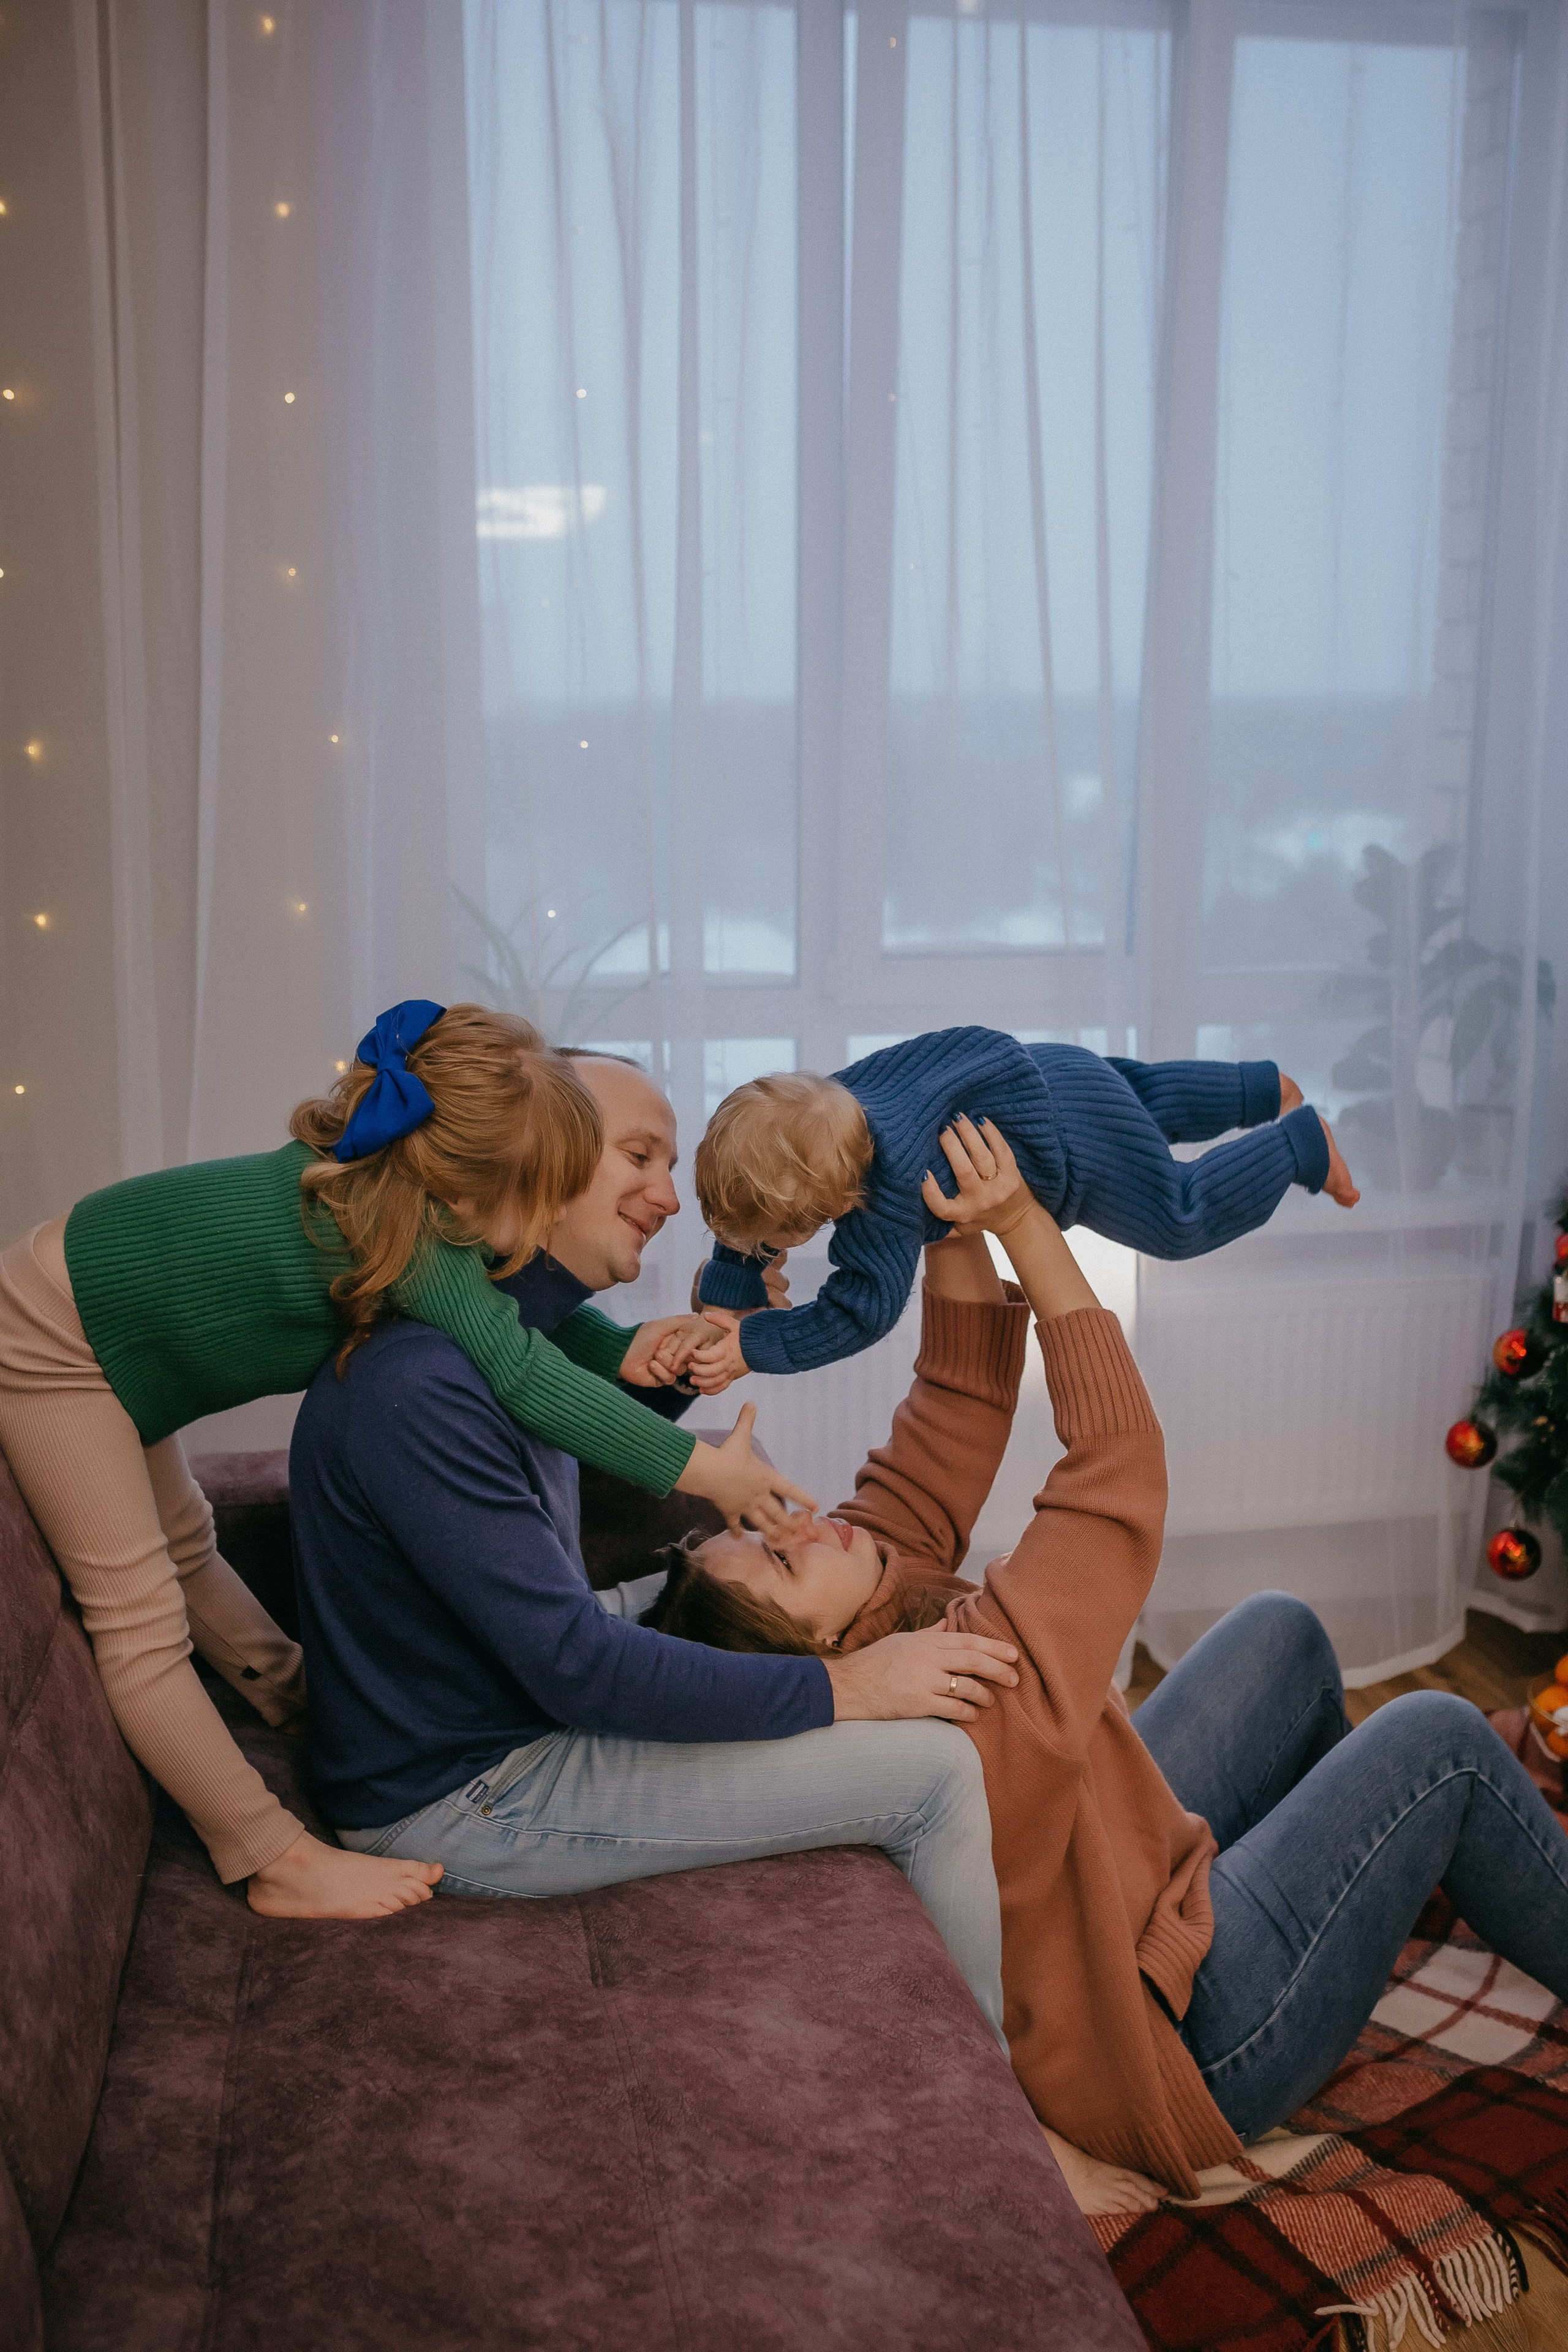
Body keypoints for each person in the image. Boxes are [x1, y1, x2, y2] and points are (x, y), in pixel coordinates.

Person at [650, 1115, 1568, 2216]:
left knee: (1279, 1632)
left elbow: (955, 1401)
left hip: (1133, 1906)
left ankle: (1349, 1900)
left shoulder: (867, 1593)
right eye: (780, 1563)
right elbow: (1117, 1467)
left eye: (760, 1527)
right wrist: (1024, 1226)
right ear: (817, 1652)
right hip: (1198, 2046)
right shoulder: (955, 1697)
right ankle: (1345, 1920)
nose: (799, 1524)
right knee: (1440, 1744)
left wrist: (944, 1218)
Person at [0, 1003, 806, 1923]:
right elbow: (519, 1368)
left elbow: (511, 1329)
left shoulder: (409, 1206)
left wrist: (634, 1354)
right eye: (544, 1190)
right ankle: (266, 1854)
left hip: (111, 1327)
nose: (544, 1218)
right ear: (468, 1193)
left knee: (189, 1543)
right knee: (139, 1619)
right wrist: (703, 1473)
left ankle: (290, 1693)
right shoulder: (415, 1240)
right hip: (51, 1339)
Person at [286, 1050, 1023, 2041]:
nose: (671, 1199)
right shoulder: (423, 1390)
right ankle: (994, 2100)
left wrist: (695, 1358)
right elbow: (579, 1671)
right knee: (935, 1775)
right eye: (638, 1157)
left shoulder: (497, 1346)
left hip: (504, 1707)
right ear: (536, 1162)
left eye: (672, 1165)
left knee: (700, 1578)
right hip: (467, 1794)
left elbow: (566, 1464)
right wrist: (853, 1686)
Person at [684, 1030, 1360, 1386]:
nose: (757, 1246)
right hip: (1053, 1071)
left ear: (827, 1209)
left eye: (769, 1239)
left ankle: (1298, 1146)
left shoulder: (881, 1200)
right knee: (1144, 1098)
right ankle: (1258, 1088)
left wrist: (755, 1347)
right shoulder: (824, 1106)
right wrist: (731, 1285)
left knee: (1180, 1215)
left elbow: (858, 1314)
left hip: (1066, 1148)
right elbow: (761, 1182)